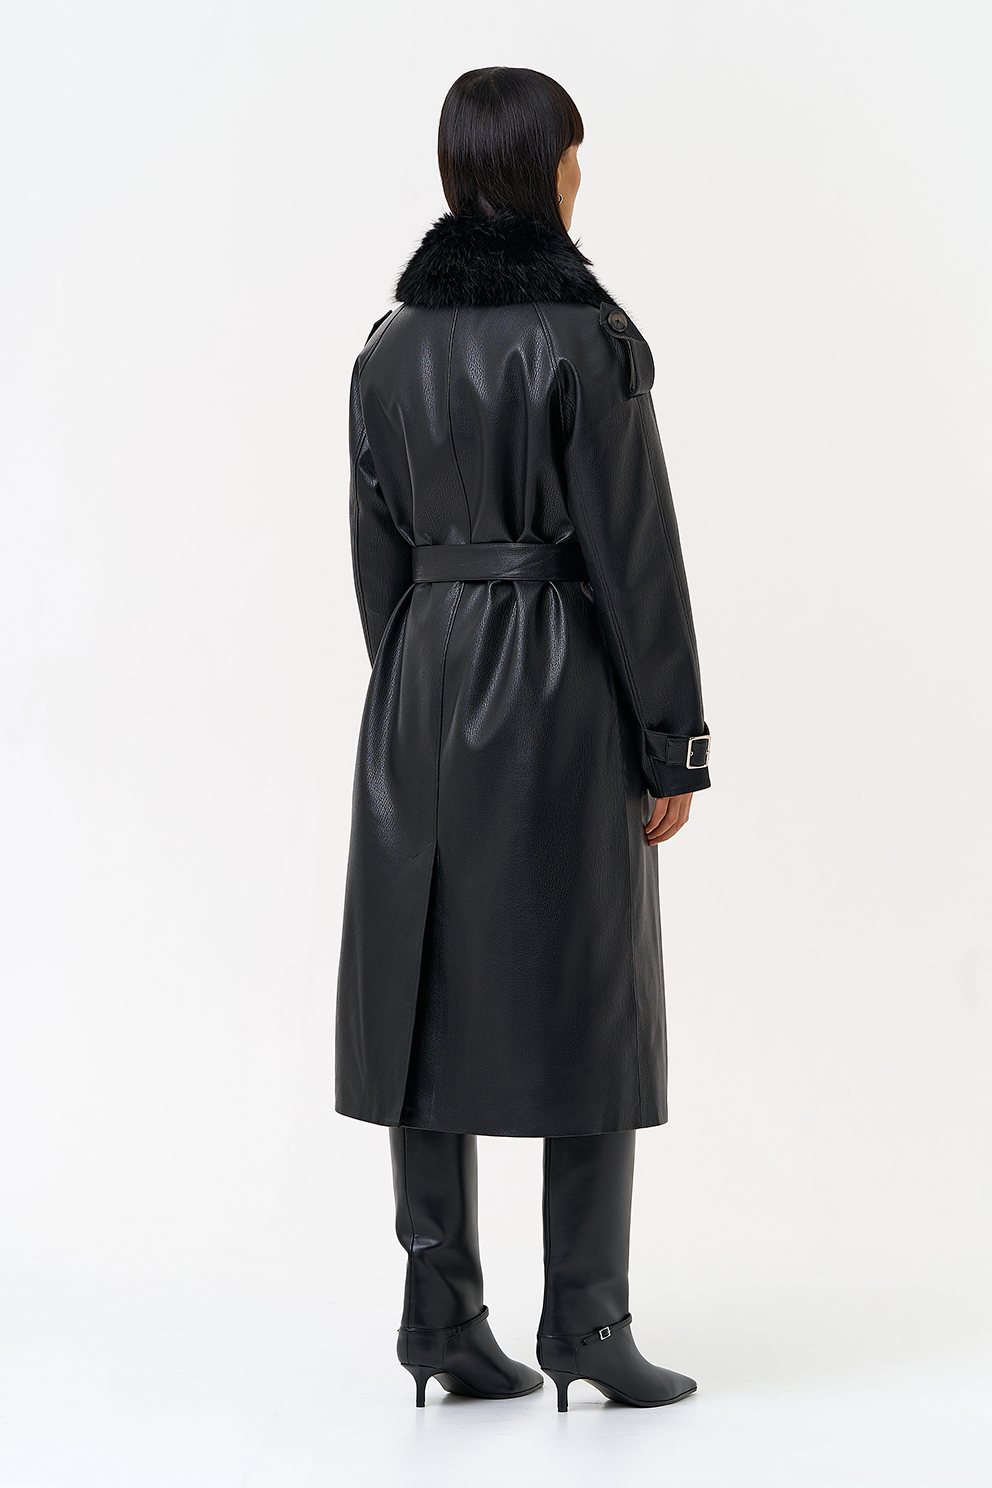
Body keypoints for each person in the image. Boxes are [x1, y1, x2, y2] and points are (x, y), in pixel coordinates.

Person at [335, 66, 711, 1411]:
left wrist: (416, 683)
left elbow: (375, 559)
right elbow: (635, 555)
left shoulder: (387, 346)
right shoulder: (586, 338)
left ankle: (440, 1316)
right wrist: (673, 741)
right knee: (589, 992)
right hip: (559, 687)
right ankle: (587, 1323)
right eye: (572, 156)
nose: (579, 177)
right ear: (542, 168)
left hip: (418, 687)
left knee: (420, 990)